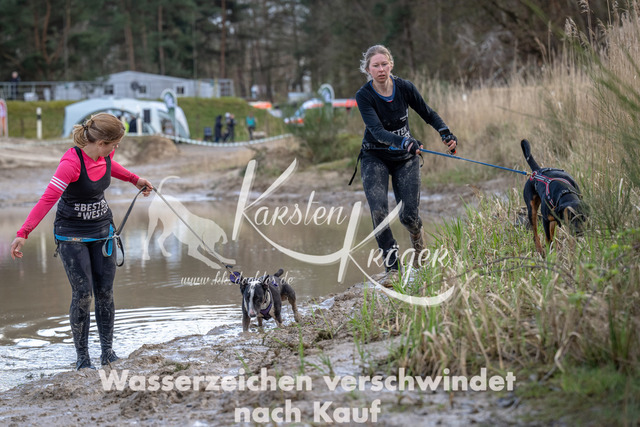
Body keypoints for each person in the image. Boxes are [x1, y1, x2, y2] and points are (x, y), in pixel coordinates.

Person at [10, 113, 153, 370]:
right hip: (71, 234)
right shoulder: (70, 163)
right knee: (83, 293)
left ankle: (107, 353)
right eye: (114, 143)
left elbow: (110, 167)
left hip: (102, 230)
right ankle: (83, 359)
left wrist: (135, 180)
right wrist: (24, 232)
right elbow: (48, 199)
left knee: (105, 292)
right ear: (101, 143)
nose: (116, 148)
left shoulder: (105, 155)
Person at [353, 45, 458, 286]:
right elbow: (377, 131)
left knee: (409, 217)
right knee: (379, 212)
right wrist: (404, 141)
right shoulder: (364, 96)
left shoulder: (405, 88)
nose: (381, 69)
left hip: (405, 159)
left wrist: (445, 133)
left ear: (391, 64)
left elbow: (428, 113)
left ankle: (418, 240)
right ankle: (393, 269)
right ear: (368, 70)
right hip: (375, 157)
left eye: (384, 64)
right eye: (376, 66)